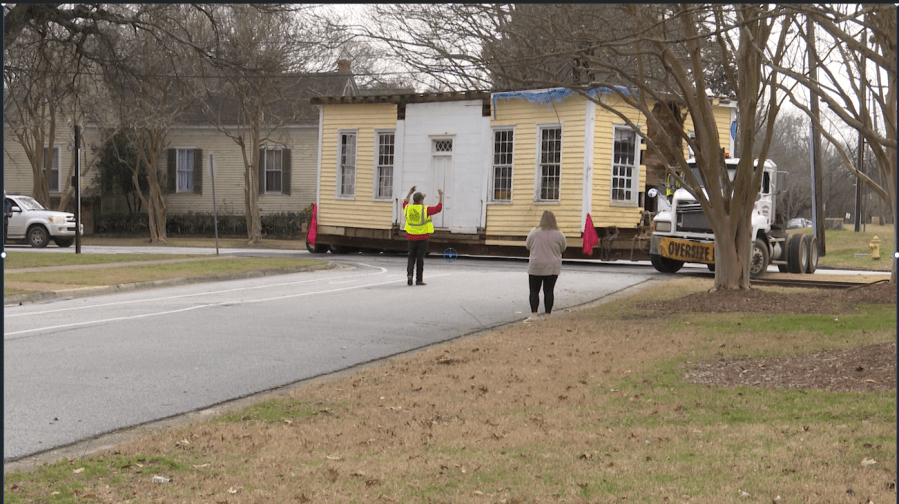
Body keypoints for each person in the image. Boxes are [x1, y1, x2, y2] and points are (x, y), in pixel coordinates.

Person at [524, 210, 567, 322]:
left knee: (534, 291)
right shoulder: (559, 234)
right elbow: (563, 248)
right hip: (552, 267)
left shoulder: (534, 232)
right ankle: (547, 315)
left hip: (536, 266)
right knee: (549, 291)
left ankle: (534, 315)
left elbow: (527, 245)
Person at [403, 185, 443, 286]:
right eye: (423, 198)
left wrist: (410, 192)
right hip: (422, 238)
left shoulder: (408, 208)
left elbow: (405, 201)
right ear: (420, 200)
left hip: (411, 237)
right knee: (420, 259)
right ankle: (419, 280)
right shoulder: (425, 209)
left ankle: (409, 276)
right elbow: (438, 208)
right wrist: (441, 195)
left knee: (411, 256)